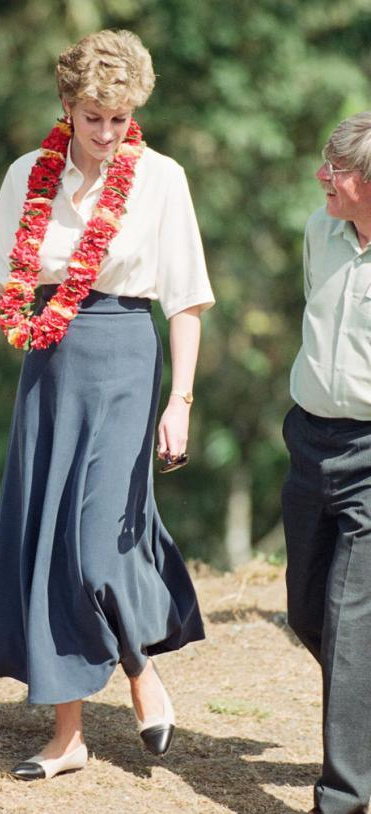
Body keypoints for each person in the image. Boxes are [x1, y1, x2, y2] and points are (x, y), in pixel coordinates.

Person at [0, 29, 214, 780]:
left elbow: (188, 299)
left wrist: (183, 401)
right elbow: (4, 285)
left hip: (125, 358)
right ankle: (67, 736)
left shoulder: (162, 178)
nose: (108, 134)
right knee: (48, 537)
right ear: (67, 107)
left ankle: (141, 670)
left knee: (98, 542)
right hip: (48, 362)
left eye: (120, 118)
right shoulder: (24, 176)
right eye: (94, 117)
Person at [282, 112, 371, 814]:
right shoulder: (320, 230)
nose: (323, 177)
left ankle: (342, 797)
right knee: (309, 613)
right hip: (310, 441)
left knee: (349, 624)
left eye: (336, 170)